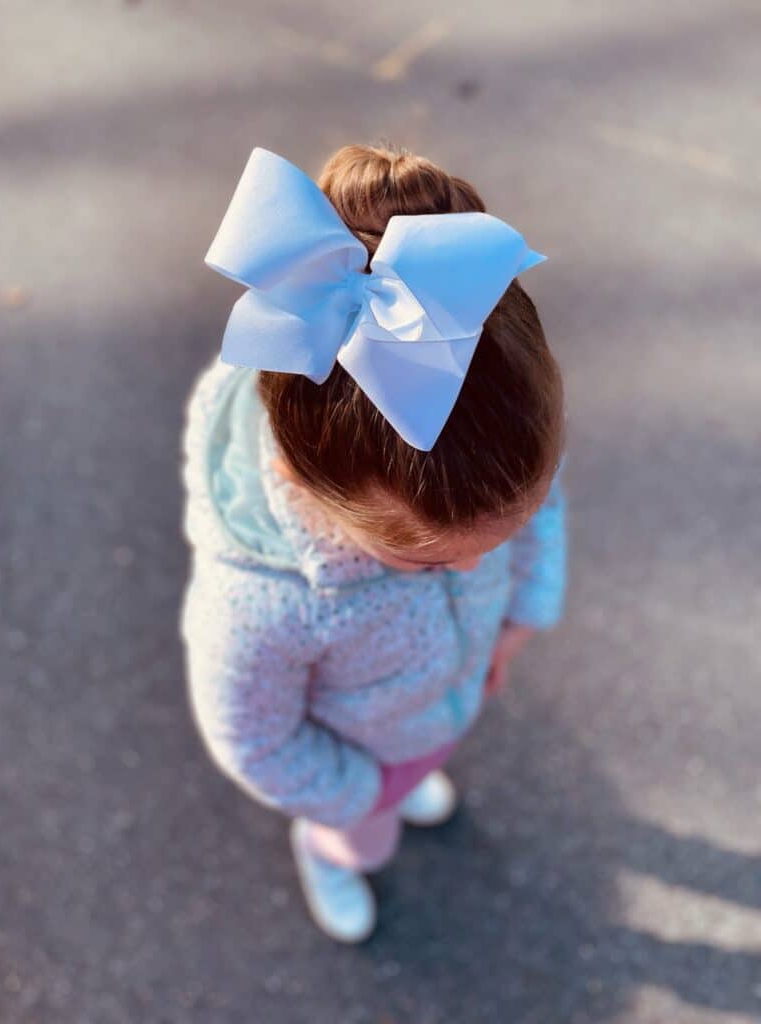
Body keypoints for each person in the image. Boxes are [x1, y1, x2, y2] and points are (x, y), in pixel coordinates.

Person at [178, 142, 567, 943]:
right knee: (366, 832)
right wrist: (353, 790)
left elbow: (537, 513)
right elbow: (252, 735)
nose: (472, 565)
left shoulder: (485, 465)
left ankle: (404, 782)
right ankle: (333, 853)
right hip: (355, 764)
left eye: (501, 537)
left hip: (433, 707)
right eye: (425, 559)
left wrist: (521, 616)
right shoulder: (262, 600)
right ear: (302, 481)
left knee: (415, 772)